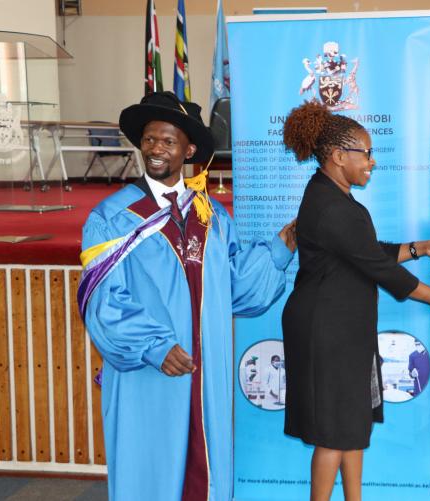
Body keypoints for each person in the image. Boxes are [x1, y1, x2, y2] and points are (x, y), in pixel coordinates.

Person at [77, 91, 296, 501]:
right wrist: (153, 346)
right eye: (149, 139)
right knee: (150, 471)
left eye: (168, 141)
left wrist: (281, 249)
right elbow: (103, 301)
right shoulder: (112, 218)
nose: (155, 149)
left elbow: (233, 286)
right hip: (149, 371)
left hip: (205, 369)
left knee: (204, 469)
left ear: (189, 149)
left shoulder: (210, 215)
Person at [280, 101, 430, 501]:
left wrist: (420, 248)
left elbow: (365, 252)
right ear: (337, 156)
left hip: (342, 326)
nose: (372, 162)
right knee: (333, 431)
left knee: (351, 425)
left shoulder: (333, 196)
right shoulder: (332, 206)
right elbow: (376, 267)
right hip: (325, 330)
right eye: (365, 153)